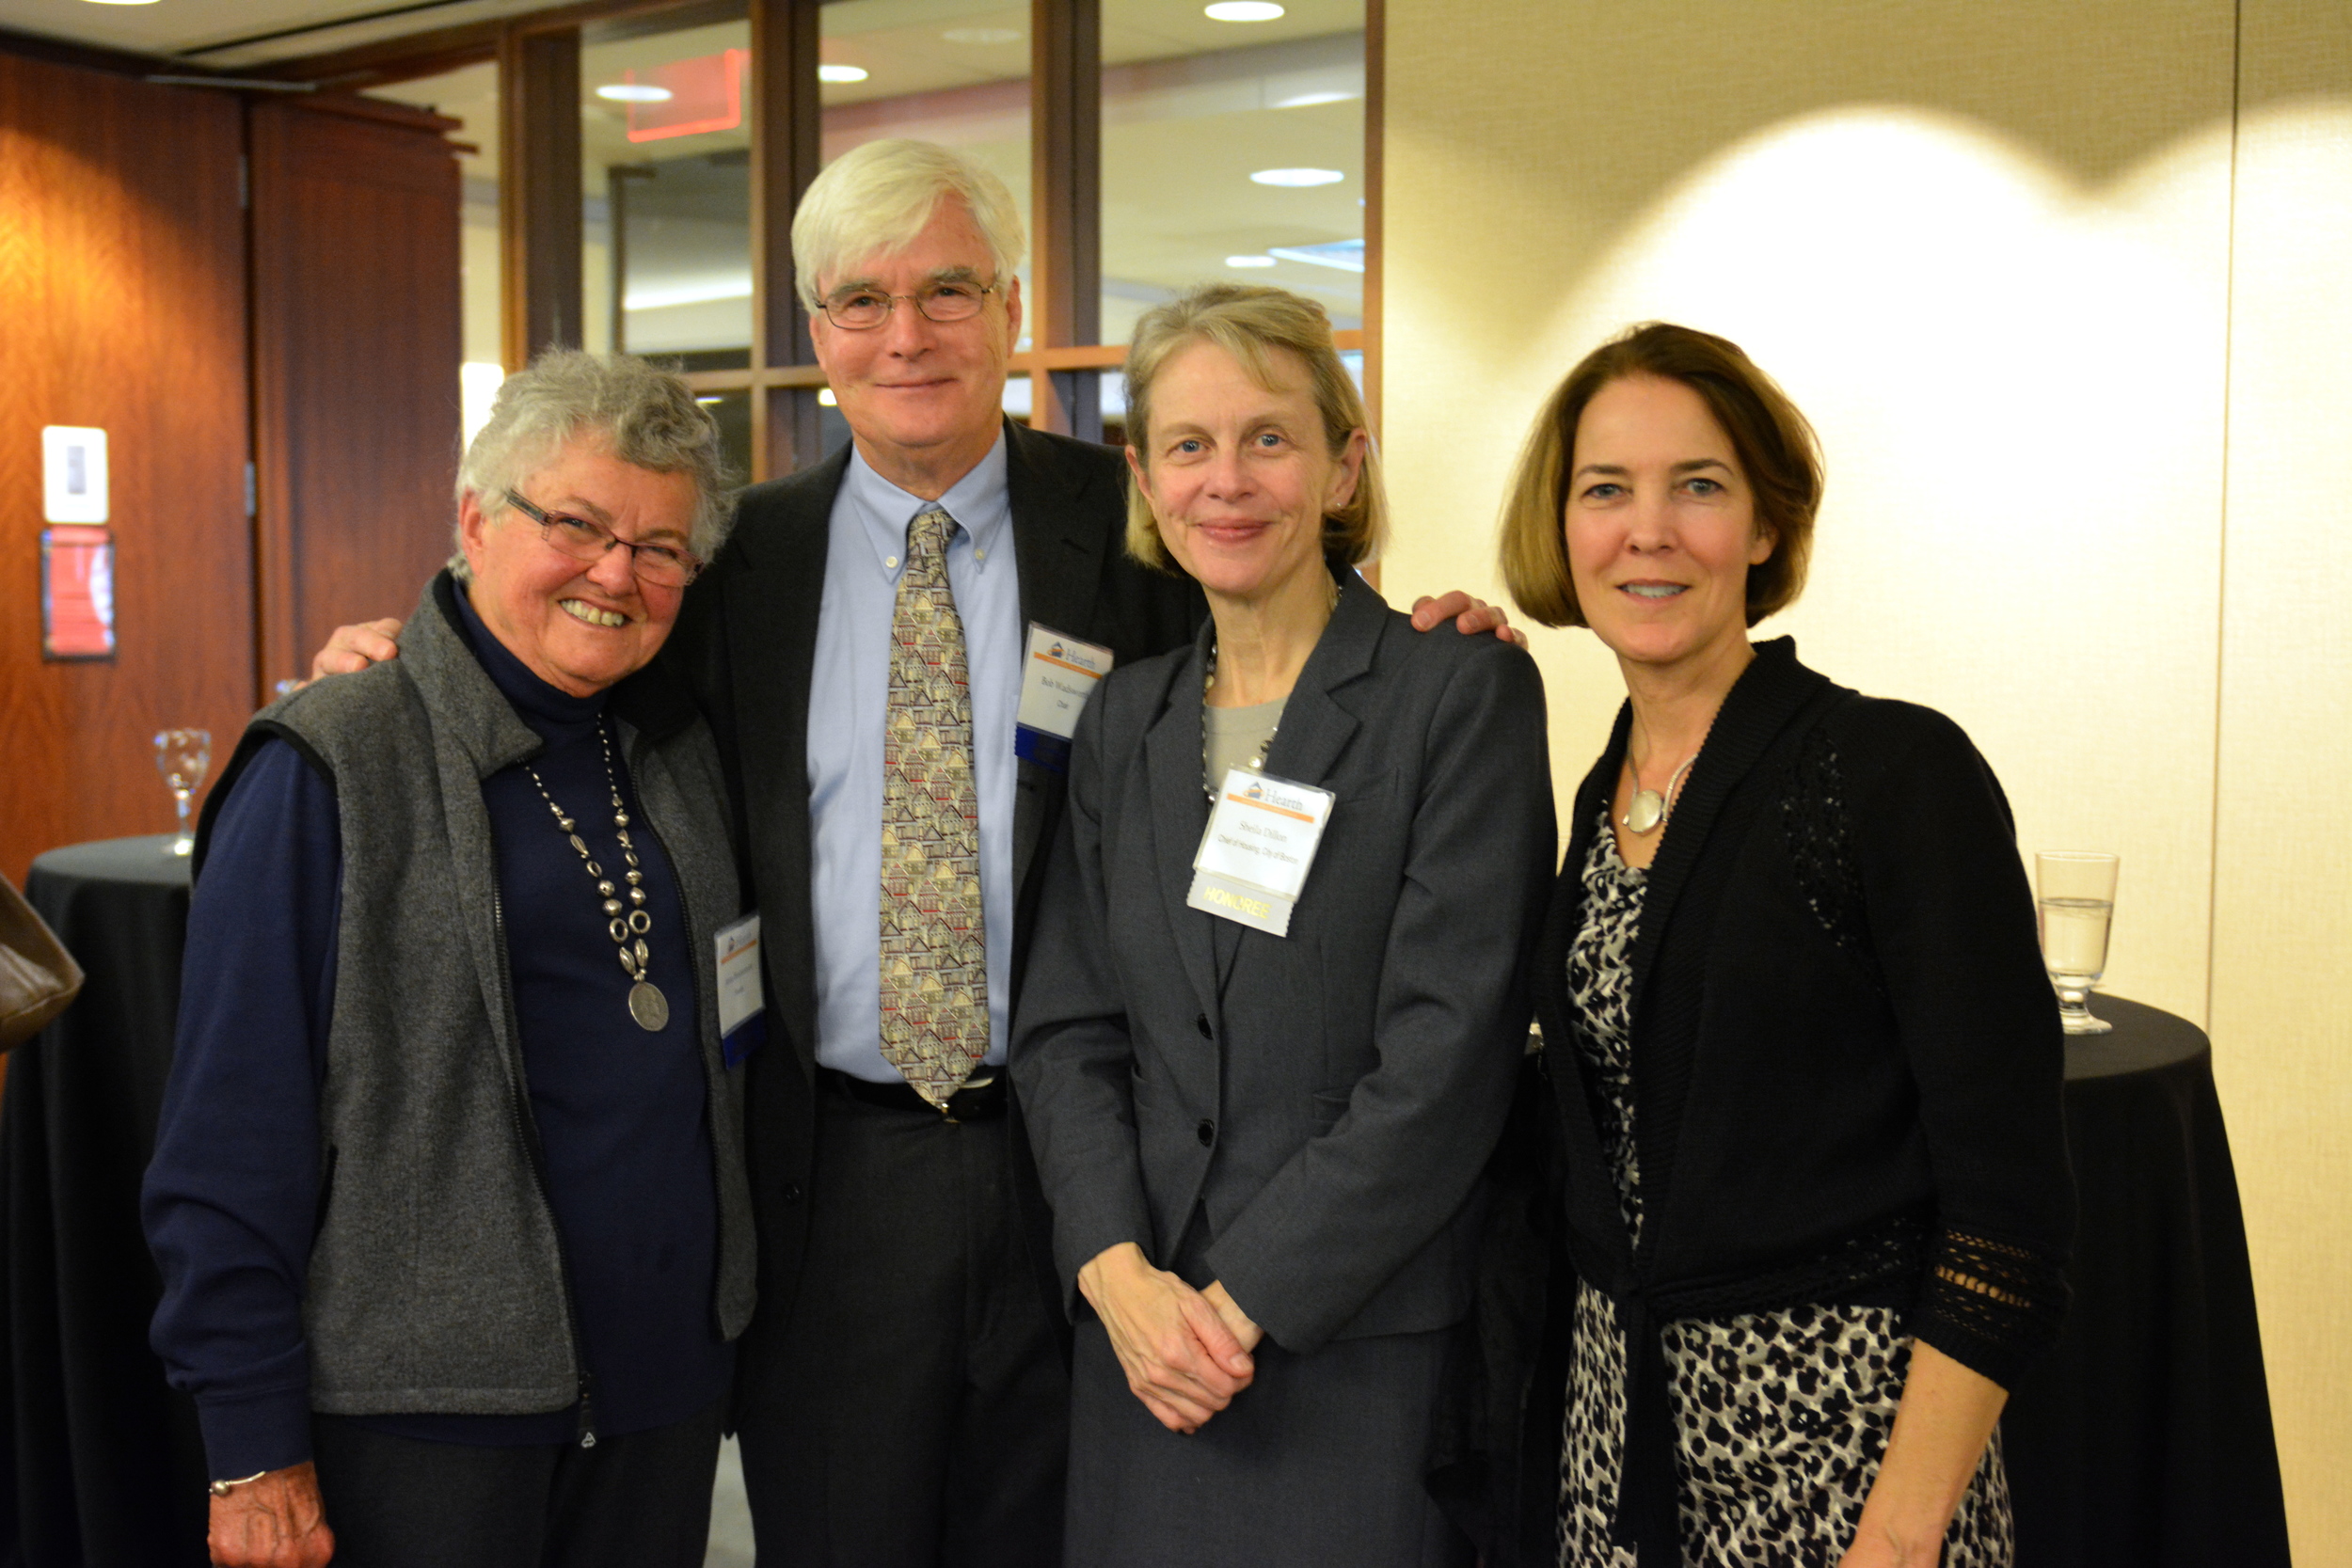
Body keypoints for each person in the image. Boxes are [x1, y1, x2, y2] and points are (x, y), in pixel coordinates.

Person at [311, 139, 1518, 1568]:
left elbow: (1288, 639)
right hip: (836, 1186)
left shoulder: (1134, 529)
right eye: (861, 300)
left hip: (1099, 1177)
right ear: (814, 332)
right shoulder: (731, 562)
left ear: (1008, 302)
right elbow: (566, 636)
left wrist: (1434, 623)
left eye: (948, 288)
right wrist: (402, 663)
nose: (907, 336)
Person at [144, 351, 754, 1568]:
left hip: (659, 1399)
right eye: (575, 524)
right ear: (476, 517)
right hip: (424, 1428)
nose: (614, 573)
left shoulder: (672, 745)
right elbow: (229, 1132)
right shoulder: (332, 761)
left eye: (659, 547)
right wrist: (251, 1447)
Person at [1493, 322, 2074, 1566]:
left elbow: (2009, 1212)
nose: (1647, 530)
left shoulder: (1889, 772)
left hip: (1848, 1465)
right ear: (1563, 527)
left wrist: (1905, 1535)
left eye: (1696, 486)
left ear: (1763, 527)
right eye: (1606, 490)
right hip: (1620, 1446)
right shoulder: (1604, 796)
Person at [1009, 282, 1555, 1567]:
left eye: (1269, 438)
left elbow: (1447, 1058)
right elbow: (1069, 1032)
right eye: (1188, 447)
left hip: (1347, 1350)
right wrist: (1115, 1274)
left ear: (1343, 460)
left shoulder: (1453, 694)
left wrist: (1239, 1305)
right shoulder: (1124, 721)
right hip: (1142, 1353)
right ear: (1143, 477)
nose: (1228, 481)